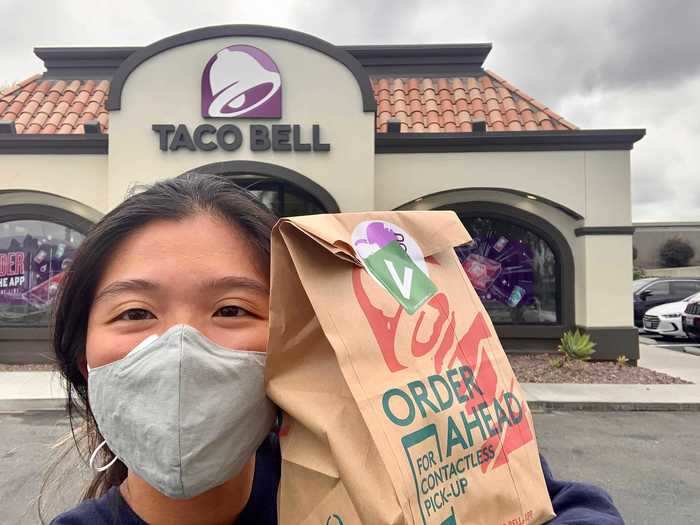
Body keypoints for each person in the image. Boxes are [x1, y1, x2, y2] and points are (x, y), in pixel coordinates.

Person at [49, 173, 623, 524]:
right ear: (85, 359)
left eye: (231, 309)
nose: (180, 350)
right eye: (134, 314)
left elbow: (554, 503)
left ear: (296, 339)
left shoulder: (361, 478)